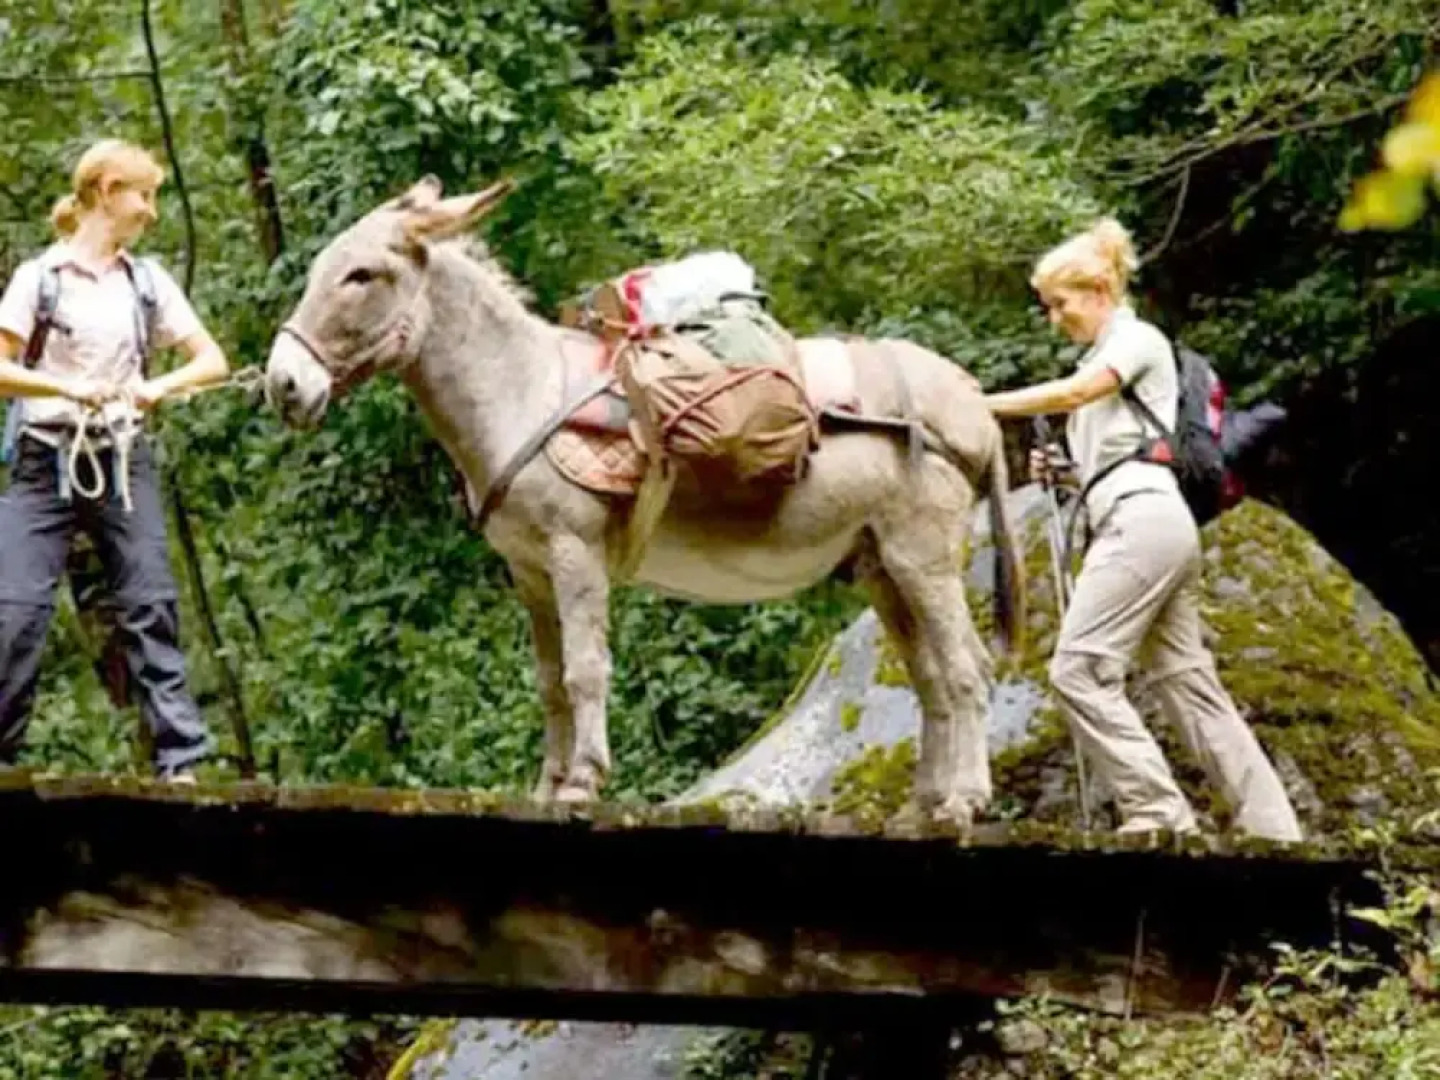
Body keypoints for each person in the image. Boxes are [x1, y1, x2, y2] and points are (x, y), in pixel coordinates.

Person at [983, 217, 1302, 842]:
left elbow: (1075, 394)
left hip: (1140, 522)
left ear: (1100, 291)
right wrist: (1065, 473)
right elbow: (1117, 455)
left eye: (1060, 304)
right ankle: (1274, 829)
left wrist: (981, 404)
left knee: (1078, 670)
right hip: (1149, 519)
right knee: (1188, 682)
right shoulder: (1110, 360)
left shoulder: (1136, 340)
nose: (1054, 319)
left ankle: (1158, 811)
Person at [0, 138, 231, 781]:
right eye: (144, 196)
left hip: (122, 459)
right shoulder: (40, 278)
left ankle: (180, 761)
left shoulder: (146, 282)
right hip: (45, 461)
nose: (151, 212)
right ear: (106, 193)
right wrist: (66, 387)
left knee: (150, 600)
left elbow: (212, 361)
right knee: (16, 610)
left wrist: (155, 388)